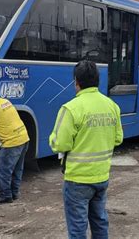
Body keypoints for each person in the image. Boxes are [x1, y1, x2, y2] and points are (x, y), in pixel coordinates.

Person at [49, 60, 123, 239]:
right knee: (99, 221)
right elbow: (118, 138)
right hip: (102, 176)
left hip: (77, 179)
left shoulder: (71, 108)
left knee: (77, 228)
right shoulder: (111, 106)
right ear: (98, 80)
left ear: (77, 82)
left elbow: (59, 144)